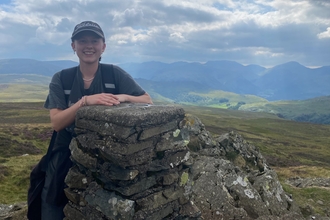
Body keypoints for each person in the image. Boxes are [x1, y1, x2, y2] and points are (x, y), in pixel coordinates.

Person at [41, 21, 152, 220]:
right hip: (64, 149)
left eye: (94, 40)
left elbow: (146, 100)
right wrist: (84, 102)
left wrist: (124, 97)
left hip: (106, 154)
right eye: (82, 41)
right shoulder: (61, 78)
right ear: (73, 46)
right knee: (52, 199)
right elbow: (57, 123)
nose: (89, 46)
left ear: (103, 46)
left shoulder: (114, 74)